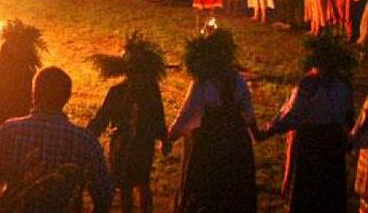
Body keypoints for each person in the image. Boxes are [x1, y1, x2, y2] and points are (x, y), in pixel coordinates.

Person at [0, 67, 113, 213]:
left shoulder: (9, 131)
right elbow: (104, 196)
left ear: (33, 94)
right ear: (67, 97)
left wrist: (5, 207)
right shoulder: (85, 140)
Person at [258, 31, 355, 213]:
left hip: (311, 143)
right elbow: (349, 116)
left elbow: (291, 114)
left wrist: (266, 131)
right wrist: (348, 141)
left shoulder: (309, 83)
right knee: (330, 193)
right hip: (333, 143)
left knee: (308, 193)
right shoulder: (344, 83)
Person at [167, 28, 257, 213]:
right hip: (236, 141)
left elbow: (188, 113)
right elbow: (248, 112)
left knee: (206, 189)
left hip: (209, 143)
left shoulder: (203, 83)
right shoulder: (238, 80)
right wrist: (257, 134)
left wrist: (170, 137)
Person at [87, 33, 168, 213]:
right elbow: (159, 116)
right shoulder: (148, 90)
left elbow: (102, 117)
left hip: (128, 144)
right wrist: (164, 138)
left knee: (130, 186)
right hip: (137, 144)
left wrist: (90, 133)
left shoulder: (122, 92)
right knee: (138, 184)